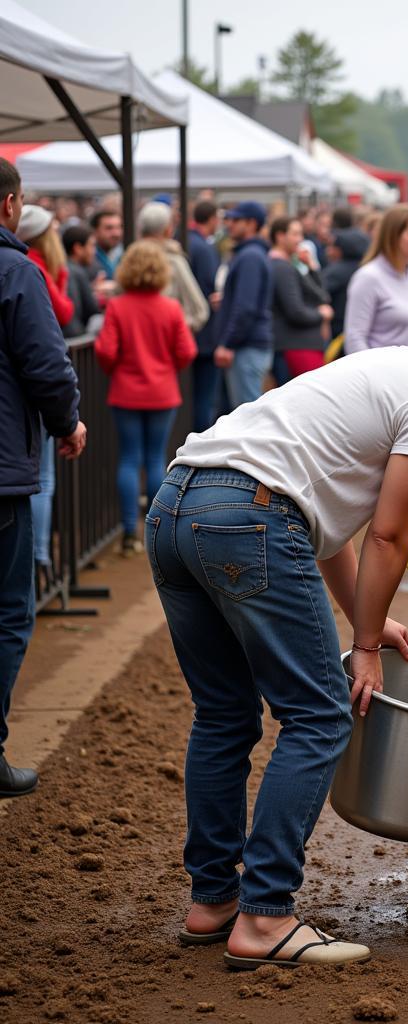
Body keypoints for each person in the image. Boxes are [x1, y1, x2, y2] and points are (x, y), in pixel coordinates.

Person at [147, 276, 408, 969]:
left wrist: (372, 621)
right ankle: (265, 917)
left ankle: (213, 903)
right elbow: (388, 537)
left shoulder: (376, 367)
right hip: (250, 516)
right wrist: (361, 646)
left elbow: (331, 534)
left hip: (177, 503)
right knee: (323, 714)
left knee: (225, 715)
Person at [0, 158, 86, 798]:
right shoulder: (16, 270)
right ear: (10, 207)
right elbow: (48, 367)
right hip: (1, 474)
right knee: (7, 612)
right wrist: (68, 423)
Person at [95, 241, 197, 554]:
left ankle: (129, 532)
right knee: (156, 459)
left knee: (129, 459)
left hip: (126, 391)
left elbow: (106, 351)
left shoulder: (118, 306)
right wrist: (167, 368)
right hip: (162, 391)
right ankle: (156, 530)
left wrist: (117, 368)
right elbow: (187, 351)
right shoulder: (170, 308)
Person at [17, 205, 74, 591]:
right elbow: (62, 315)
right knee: (43, 480)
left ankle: (37, 560)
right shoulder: (27, 268)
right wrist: (67, 422)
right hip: (27, 402)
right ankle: (39, 560)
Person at [343, 205, 408, 354]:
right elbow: (354, 339)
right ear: (393, 236)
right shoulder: (368, 277)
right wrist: (374, 375)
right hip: (380, 373)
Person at [214, 201, 273, 410]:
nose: (229, 224)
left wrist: (228, 343)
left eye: (236, 220)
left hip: (246, 347)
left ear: (251, 223)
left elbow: (246, 307)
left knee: (248, 417)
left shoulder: (250, 256)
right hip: (248, 345)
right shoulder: (250, 254)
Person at [268, 216, 333, 380]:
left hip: (299, 345)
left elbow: (321, 296)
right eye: (295, 234)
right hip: (295, 346)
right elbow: (295, 311)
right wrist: (321, 315)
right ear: (280, 236)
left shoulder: (288, 266)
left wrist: (311, 268)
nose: (300, 240)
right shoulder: (282, 268)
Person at [139, 202, 210, 337]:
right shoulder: (173, 261)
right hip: (164, 344)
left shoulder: (129, 260)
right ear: (168, 230)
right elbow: (199, 311)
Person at [187, 200, 222, 432]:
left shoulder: (187, 242)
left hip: (191, 332)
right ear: (211, 219)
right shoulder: (204, 248)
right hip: (205, 334)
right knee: (204, 399)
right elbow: (211, 285)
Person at [323, 228, 367, 346]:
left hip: (338, 332)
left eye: (333, 247)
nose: (329, 251)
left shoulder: (335, 272)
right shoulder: (368, 269)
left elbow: (320, 294)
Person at [61, 224, 101, 337]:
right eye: (92, 246)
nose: (94, 251)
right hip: (75, 336)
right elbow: (91, 309)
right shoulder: (77, 272)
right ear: (78, 248)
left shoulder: (63, 268)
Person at [90, 208, 123, 282]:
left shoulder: (124, 254)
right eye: (109, 228)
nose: (116, 233)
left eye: (119, 227)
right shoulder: (88, 258)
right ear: (95, 231)